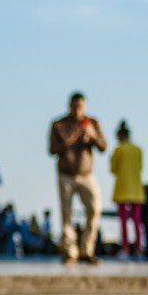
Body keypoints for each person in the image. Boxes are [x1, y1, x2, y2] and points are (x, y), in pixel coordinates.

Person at [49, 92, 107, 265]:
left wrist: (92, 135)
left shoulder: (92, 122)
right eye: (75, 106)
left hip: (86, 174)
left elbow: (103, 146)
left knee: (95, 209)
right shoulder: (59, 124)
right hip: (65, 174)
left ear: (85, 106)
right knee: (66, 213)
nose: (77, 110)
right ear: (69, 105)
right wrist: (69, 139)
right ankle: (70, 251)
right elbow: (51, 150)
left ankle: (87, 250)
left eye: (81, 106)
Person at [109, 121, 144, 259]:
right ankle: (139, 248)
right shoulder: (138, 150)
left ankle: (125, 248)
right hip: (136, 188)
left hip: (122, 188)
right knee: (136, 221)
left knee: (123, 221)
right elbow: (140, 168)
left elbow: (113, 170)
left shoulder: (118, 150)